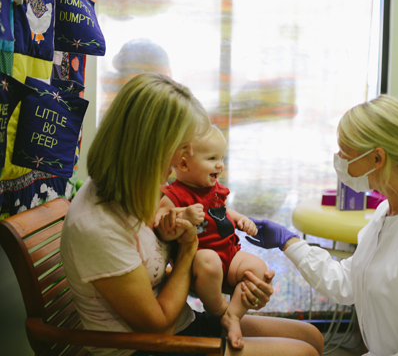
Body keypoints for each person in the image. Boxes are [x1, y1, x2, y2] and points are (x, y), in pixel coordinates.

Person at [60, 73, 324, 356]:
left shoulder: (134, 190)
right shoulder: (98, 225)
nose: (180, 161)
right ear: (150, 148)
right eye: (182, 147)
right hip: (143, 347)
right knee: (302, 353)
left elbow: (161, 273)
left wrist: (235, 284)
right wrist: (189, 249)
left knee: (310, 336)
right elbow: (158, 327)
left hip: (179, 324)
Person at [246, 95, 398, 355]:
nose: (339, 160)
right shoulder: (387, 212)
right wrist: (288, 241)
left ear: (377, 158)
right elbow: (350, 282)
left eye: (345, 153)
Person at [156, 125, 267, 349]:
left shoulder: (215, 188)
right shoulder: (173, 195)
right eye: (212, 158)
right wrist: (184, 216)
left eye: (222, 158)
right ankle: (219, 310)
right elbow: (162, 226)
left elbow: (222, 212)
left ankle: (232, 316)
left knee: (258, 268)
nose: (220, 164)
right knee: (210, 260)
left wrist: (240, 219)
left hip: (229, 254)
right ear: (184, 163)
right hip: (199, 262)